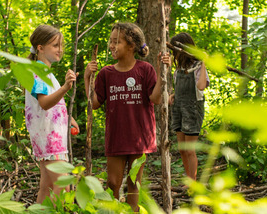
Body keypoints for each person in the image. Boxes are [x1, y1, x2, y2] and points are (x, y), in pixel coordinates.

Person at [84, 22, 163, 211]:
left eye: (116, 42)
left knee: (133, 183)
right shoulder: (106, 73)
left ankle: (132, 210)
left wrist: (161, 72)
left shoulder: (145, 70)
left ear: (131, 46)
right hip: (116, 137)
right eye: (110, 41)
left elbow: (156, 99)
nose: (111, 45)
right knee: (112, 183)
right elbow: (93, 103)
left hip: (139, 138)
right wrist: (87, 77)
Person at [24, 24, 79, 203]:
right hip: (48, 138)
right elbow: (44, 103)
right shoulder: (36, 71)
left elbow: (55, 105)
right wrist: (65, 88)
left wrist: (69, 118)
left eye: (61, 46)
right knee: (64, 185)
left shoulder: (46, 72)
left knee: (47, 187)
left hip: (51, 137)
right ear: (40, 48)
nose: (60, 50)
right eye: (55, 45)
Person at [161, 32, 209, 181]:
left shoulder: (198, 67)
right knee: (182, 149)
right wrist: (174, 95)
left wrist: (204, 63)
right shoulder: (179, 69)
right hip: (179, 108)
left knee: (189, 150)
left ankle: (192, 182)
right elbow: (181, 87)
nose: (175, 55)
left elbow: (200, 87)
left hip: (192, 109)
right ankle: (188, 179)